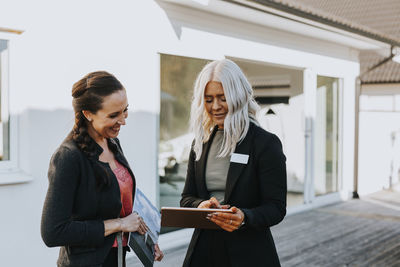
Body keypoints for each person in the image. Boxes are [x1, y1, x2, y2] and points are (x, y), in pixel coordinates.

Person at [41, 71, 163, 267]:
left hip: (116, 260)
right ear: (88, 114)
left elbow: (120, 203)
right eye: (114, 115)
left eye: (125, 110)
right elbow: (53, 232)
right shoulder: (68, 157)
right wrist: (119, 224)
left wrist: (147, 238)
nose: (123, 120)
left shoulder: (113, 143)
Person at [180, 59, 287, 267]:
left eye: (222, 98)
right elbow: (186, 198)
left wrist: (244, 217)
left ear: (238, 96)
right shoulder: (200, 143)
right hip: (203, 252)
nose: (216, 106)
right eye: (209, 99)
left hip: (249, 254)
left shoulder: (265, 143)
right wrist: (200, 205)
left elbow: (276, 208)